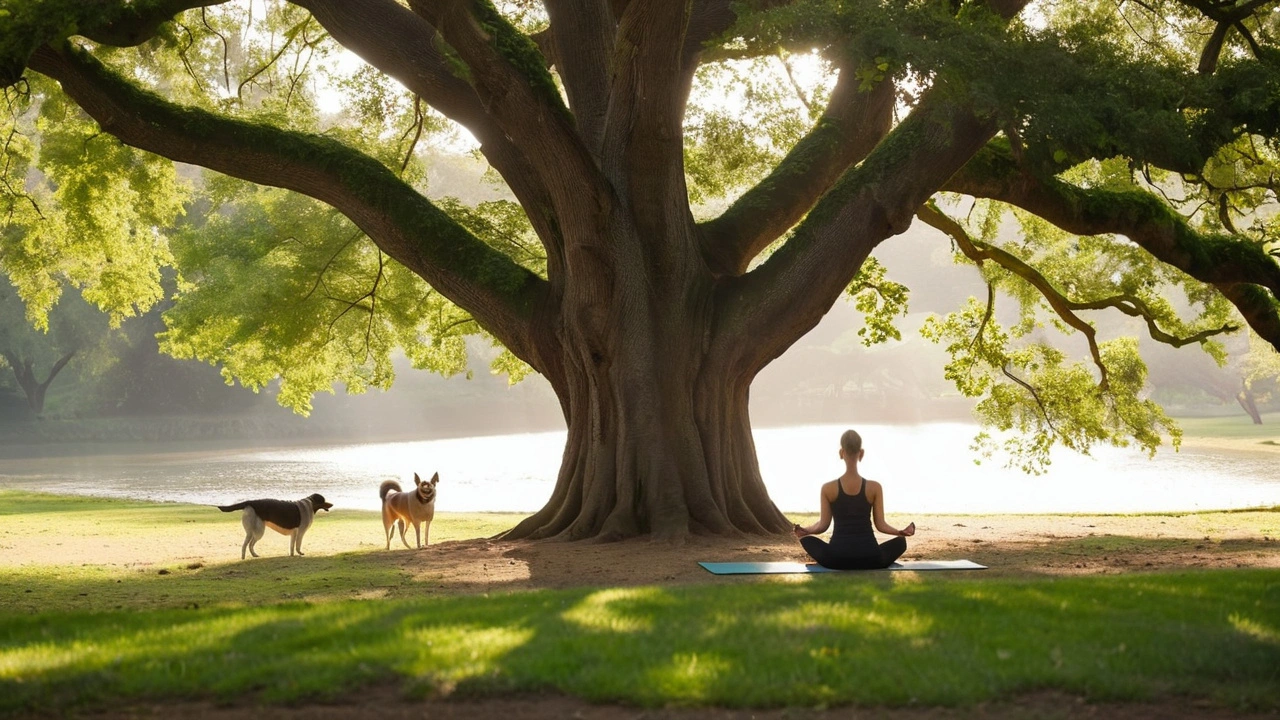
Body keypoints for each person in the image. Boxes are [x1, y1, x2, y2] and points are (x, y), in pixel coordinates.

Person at [792, 429, 915, 569]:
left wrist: (806, 531)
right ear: (861, 453)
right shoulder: (874, 487)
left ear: (841, 453)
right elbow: (881, 525)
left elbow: (822, 526)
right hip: (870, 557)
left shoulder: (828, 488)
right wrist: (900, 532)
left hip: (837, 558)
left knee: (806, 540)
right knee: (900, 542)